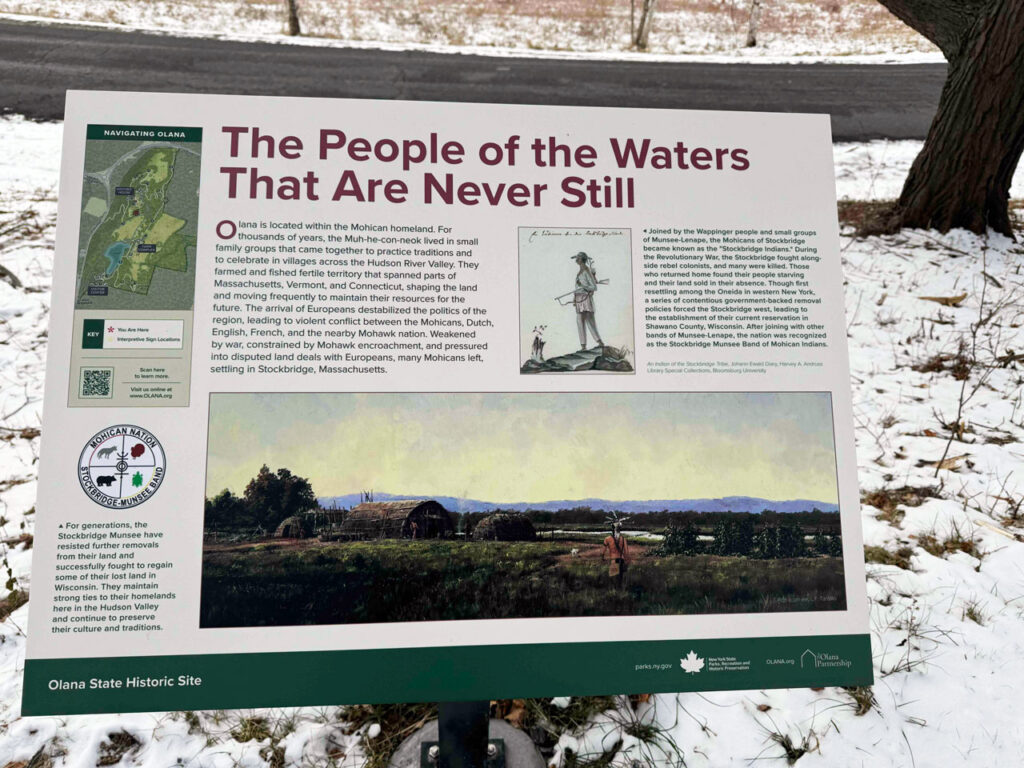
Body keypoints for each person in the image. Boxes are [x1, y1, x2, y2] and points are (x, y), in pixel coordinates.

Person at [572, 252, 603, 350]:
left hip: (585, 298)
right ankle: (583, 346)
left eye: (578, 258)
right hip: (579, 298)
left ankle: (599, 342)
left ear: (582, 259)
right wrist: (574, 298)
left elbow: (594, 287)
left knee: (590, 321)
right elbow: (577, 287)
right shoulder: (580, 271)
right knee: (579, 321)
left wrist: (583, 286)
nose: (576, 259)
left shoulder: (586, 271)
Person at [603, 521, 631, 588]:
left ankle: (614, 594)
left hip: (613, 560)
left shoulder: (607, 539)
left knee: (613, 579)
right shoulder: (623, 539)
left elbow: (603, 551)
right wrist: (627, 562)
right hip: (621, 560)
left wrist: (603, 557)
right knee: (620, 580)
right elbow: (626, 552)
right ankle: (620, 593)